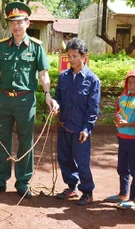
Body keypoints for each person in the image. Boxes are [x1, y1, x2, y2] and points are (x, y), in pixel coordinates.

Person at [0, 1, 58, 198]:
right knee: (2, 140)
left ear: (27, 23)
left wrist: (48, 95)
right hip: (3, 100)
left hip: (26, 101)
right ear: (9, 25)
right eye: (12, 23)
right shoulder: (2, 47)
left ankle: (23, 182)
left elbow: (43, 74)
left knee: (26, 141)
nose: (16, 26)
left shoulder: (36, 47)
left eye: (20, 22)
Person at [53, 38, 101, 205]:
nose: (71, 59)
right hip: (64, 126)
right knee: (64, 158)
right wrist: (55, 105)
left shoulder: (92, 80)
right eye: (69, 56)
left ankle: (87, 191)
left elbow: (93, 109)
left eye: (74, 56)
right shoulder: (63, 77)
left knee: (82, 162)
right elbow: (58, 97)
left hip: (80, 130)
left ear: (84, 57)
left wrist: (87, 129)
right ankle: (71, 187)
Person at [104, 69, 135, 209]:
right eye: (130, 83)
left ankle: (133, 199)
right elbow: (117, 113)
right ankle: (122, 194)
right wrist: (117, 118)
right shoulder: (121, 98)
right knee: (122, 167)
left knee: (134, 169)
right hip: (122, 138)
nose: (132, 86)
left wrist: (127, 124)